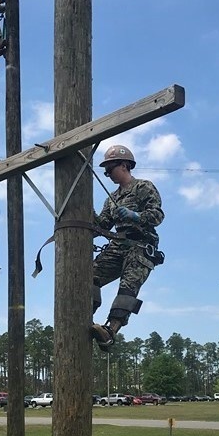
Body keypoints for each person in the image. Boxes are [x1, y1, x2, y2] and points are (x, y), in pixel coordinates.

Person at [91, 144, 164, 350]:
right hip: (118, 245)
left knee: (127, 289)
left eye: (110, 169)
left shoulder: (143, 187)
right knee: (90, 276)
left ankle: (110, 331)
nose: (107, 174)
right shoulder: (112, 198)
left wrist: (136, 216)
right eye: (105, 172)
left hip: (140, 244)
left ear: (124, 165)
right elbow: (102, 226)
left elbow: (157, 215)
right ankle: (84, 318)